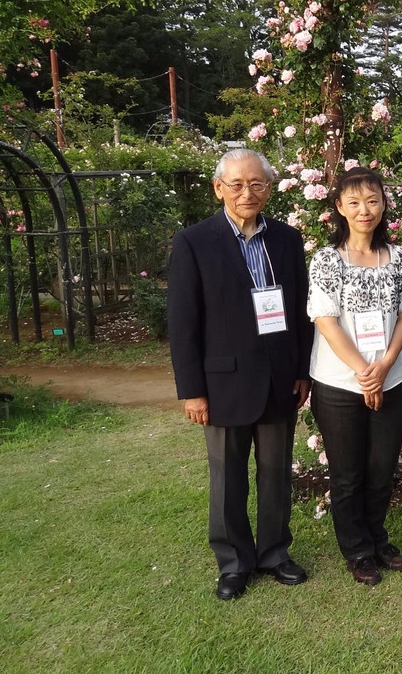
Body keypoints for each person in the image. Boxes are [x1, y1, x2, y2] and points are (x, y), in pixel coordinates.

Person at [168, 148, 313, 601]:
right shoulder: (194, 241)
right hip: (222, 381)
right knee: (227, 476)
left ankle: (274, 553)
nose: (247, 192)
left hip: (278, 378)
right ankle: (233, 562)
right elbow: (183, 321)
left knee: (275, 473)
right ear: (219, 188)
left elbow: (301, 311)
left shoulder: (287, 240)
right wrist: (192, 391)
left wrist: (302, 369)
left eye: (257, 184)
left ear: (269, 188)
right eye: (237, 184)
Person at [306, 167, 402, 587]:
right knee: (348, 472)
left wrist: (386, 364)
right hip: (338, 384)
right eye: (353, 202)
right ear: (339, 208)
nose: (364, 209)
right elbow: (325, 319)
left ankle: (376, 536)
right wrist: (362, 373)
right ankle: (357, 549)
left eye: (372, 200)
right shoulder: (326, 260)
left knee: (381, 467)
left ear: (384, 203)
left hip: (389, 380)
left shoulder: (398, 257)